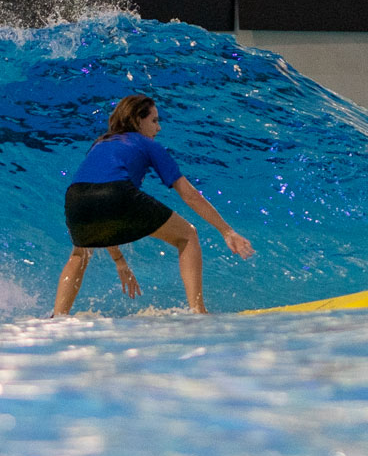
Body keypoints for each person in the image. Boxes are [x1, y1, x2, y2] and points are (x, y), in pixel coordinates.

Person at [55, 95, 254, 315]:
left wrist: (120, 261)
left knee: (79, 254)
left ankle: (58, 316)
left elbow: (101, 211)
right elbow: (189, 195)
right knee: (187, 235)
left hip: (75, 198)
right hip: (116, 193)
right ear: (138, 120)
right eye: (154, 121)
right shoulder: (147, 144)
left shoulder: (100, 143)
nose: (158, 128)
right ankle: (198, 312)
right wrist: (227, 231)